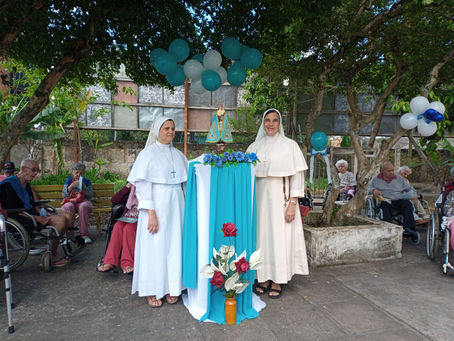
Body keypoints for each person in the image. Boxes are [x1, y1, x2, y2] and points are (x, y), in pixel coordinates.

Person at [246, 108, 309, 299]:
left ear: (279, 123)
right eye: (267, 120)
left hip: (281, 201)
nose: (270, 124)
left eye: (274, 120)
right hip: (259, 201)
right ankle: (262, 277)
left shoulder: (290, 146)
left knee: (279, 239)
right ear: (263, 123)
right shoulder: (254, 146)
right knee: (262, 239)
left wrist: (292, 203)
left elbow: (297, 176)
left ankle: (278, 280)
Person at [128, 116, 188, 308]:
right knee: (155, 247)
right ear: (157, 131)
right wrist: (151, 213)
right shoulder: (147, 154)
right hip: (156, 206)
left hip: (176, 205)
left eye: (172, 128)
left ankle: (173, 287)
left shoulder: (179, 155)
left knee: (174, 246)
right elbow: (143, 186)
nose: (170, 132)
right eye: (166, 128)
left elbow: (188, 183)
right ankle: (153, 289)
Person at [0, 158, 73, 266]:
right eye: (33, 170)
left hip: (31, 214)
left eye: (37, 171)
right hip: (20, 218)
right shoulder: (9, 185)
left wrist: (43, 212)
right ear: (23, 169)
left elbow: (31, 204)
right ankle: (52, 255)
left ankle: (54, 247)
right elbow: (12, 211)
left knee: (69, 215)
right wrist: (37, 218)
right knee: (61, 220)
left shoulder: (26, 184)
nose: (35, 173)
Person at [368, 161, 419, 242]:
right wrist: (373, 190)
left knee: (407, 204)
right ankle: (389, 229)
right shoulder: (375, 179)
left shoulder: (398, 178)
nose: (392, 172)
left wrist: (414, 195)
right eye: (389, 171)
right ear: (382, 171)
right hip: (385, 200)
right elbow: (367, 189)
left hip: (398, 200)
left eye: (392, 170)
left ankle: (409, 229)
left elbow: (409, 188)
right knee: (384, 205)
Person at [97, 182, 138, 274]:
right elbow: (115, 200)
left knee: (129, 228)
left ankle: (128, 263)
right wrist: (128, 186)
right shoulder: (130, 188)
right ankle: (109, 261)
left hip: (143, 217)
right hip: (128, 215)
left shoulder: (148, 185)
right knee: (117, 226)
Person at [61, 162, 94, 244]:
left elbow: (90, 195)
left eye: (81, 173)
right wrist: (70, 187)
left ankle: (84, 235)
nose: (79, 175)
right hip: (71, 201)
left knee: (83, 206)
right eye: (77, 172)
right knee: (68, 207)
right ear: (73, 172)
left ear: (84, 173)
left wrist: (84, 187)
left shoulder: (87, 181)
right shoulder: (68, 180)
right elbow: (64, 195)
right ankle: (70, 236)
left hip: (83, 201)